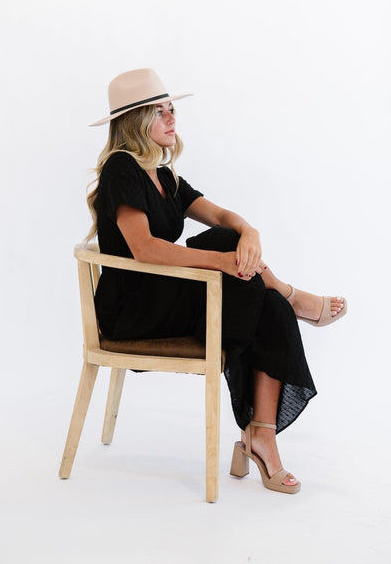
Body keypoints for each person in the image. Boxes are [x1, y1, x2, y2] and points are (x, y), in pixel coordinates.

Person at [85, 68, 347, 495]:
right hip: (133, 310)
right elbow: (145, 250)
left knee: (247, 269)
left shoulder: (163, 175)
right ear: (134, 121)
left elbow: (222, 216)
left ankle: (262, 434)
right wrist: (224, 261)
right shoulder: (121, 169)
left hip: (165, 296)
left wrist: (250, 232)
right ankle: (288, 300)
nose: (172, 118)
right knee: (236, 264)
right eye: (159, 111)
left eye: (172, 109)